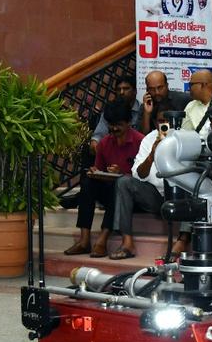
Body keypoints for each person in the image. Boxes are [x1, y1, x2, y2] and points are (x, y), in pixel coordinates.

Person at [63, 102, 142, 258]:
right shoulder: (105, 142)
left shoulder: (140, 141)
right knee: (88, 183)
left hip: (132, 196)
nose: (114, 129)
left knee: (118, 186)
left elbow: (144, 178)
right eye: (111, 125)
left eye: (118, 125)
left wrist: (123, 173)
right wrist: (96, 172)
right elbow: (99, 168)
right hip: (108, 188)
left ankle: (102, 239)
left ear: (128, 123)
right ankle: (84, 239)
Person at [109, 106, 170, 260]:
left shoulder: (184, 137)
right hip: (155, 195)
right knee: (124, 182)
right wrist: (151, 156)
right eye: (161, 121)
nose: (165, 124)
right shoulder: (149, 139)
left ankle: (182, 242)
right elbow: (138, 174)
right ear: (155, 122)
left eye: (168, 120)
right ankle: (127, 242)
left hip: (179, 195)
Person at [91, 75, 141, 148]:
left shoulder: (143, 109)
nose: (121, 92)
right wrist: (95, 143)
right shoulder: (111, 109)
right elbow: (98, 136)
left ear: (135, 91)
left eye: (126, 89)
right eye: (118, 89)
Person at [181, 69, 212, 137]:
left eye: (191, 84)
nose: (189, 88)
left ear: (203, 85)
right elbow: (185, 135)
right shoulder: (190, 106)